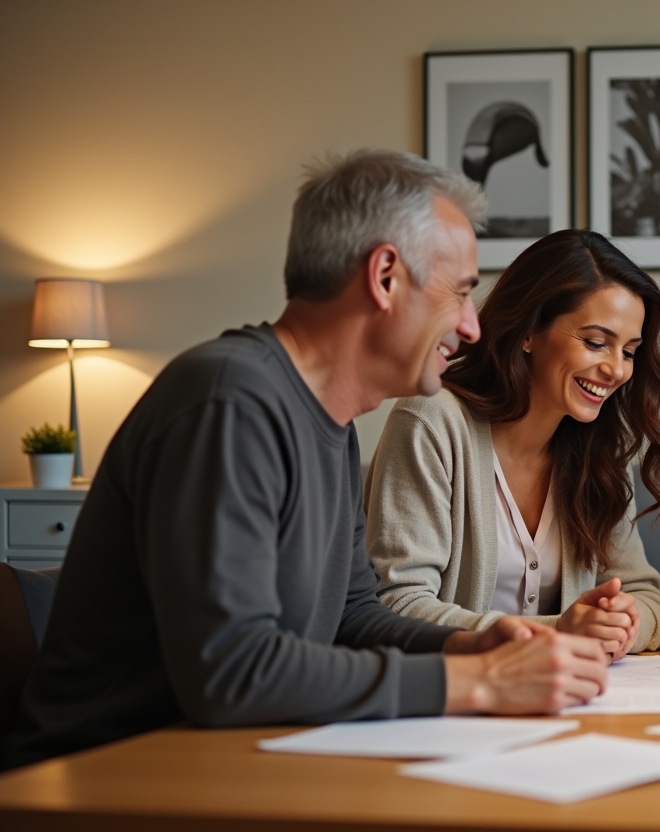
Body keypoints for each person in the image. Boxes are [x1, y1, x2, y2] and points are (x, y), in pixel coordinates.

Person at [3, 150, 609, 771]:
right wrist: (480, 682)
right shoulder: (230, 403)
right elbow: (232, 670)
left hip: (222, 762)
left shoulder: (333, 422)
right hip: (100, 777)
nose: (472, 328)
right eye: (459, 294)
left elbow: (352, 616)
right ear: (385, 277)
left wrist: (474, 643)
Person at [365, 229, 660, 659]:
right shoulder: (431, 419)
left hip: (564, 699)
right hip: (449, 698)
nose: (616, 370)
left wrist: (622, 625)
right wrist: (560, 631)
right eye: (596, 343)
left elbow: (652, 601)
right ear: (528, 332)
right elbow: (397, 605)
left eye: (629, 351)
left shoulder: (597, 449)